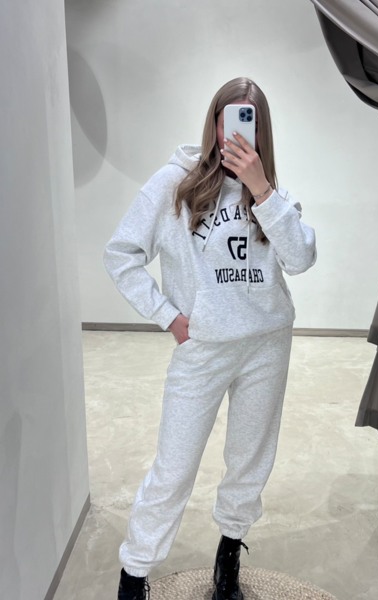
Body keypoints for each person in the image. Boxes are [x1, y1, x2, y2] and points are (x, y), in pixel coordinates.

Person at [104, 76, 317, 600]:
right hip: (202, 349)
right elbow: (121, 254)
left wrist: (262, 190)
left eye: (249, 120)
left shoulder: (272, 193)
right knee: (174, 467)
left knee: (250, 460)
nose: (236, 132)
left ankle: (229, 556)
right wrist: (168, 316)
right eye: (229, 119)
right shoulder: (173, 184)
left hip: (266, 345)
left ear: (261, 130)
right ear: (214, 122)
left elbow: (301, 259)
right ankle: (134, 574)